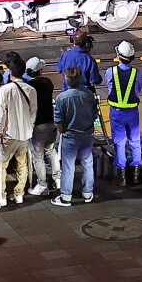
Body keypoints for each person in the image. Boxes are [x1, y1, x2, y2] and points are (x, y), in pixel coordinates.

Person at [0, 56, 37, 208]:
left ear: (11, 73)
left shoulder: (5, 89)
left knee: (1, 164)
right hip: (25, 133)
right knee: (22, 163)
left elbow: (2, 113)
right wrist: (30, 127)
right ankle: (19, 193)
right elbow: (33, 111)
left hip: (9, 134)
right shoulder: (31, 89)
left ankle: (1, 196)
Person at [51, 65, 99, 207]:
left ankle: (66, 196)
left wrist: (63, 131)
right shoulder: (89, 94)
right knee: (87, 163)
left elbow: (58, 120)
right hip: (87, 134)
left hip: (70, 136)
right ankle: (88, 192)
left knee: (68, 166)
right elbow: (94, 114)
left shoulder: (62, 98)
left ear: (66, 79)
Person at [106, 41, 142, 186]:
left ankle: (120, 174)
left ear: (118, 56)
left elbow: (110, 88)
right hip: (132, 111)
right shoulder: (137, 73)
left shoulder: (111, 72)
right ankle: (135, 173)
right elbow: (138, 89)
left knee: (119, 141)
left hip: (116, 112)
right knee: (134, 140)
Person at [25, 56, 61, 195]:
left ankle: (42, 185)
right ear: (40, 71)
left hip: (37, 125)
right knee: (51, 151)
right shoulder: (47, 83)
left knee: (38, 156)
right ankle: (58, 179)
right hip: (51, 122)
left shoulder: (29, 87)